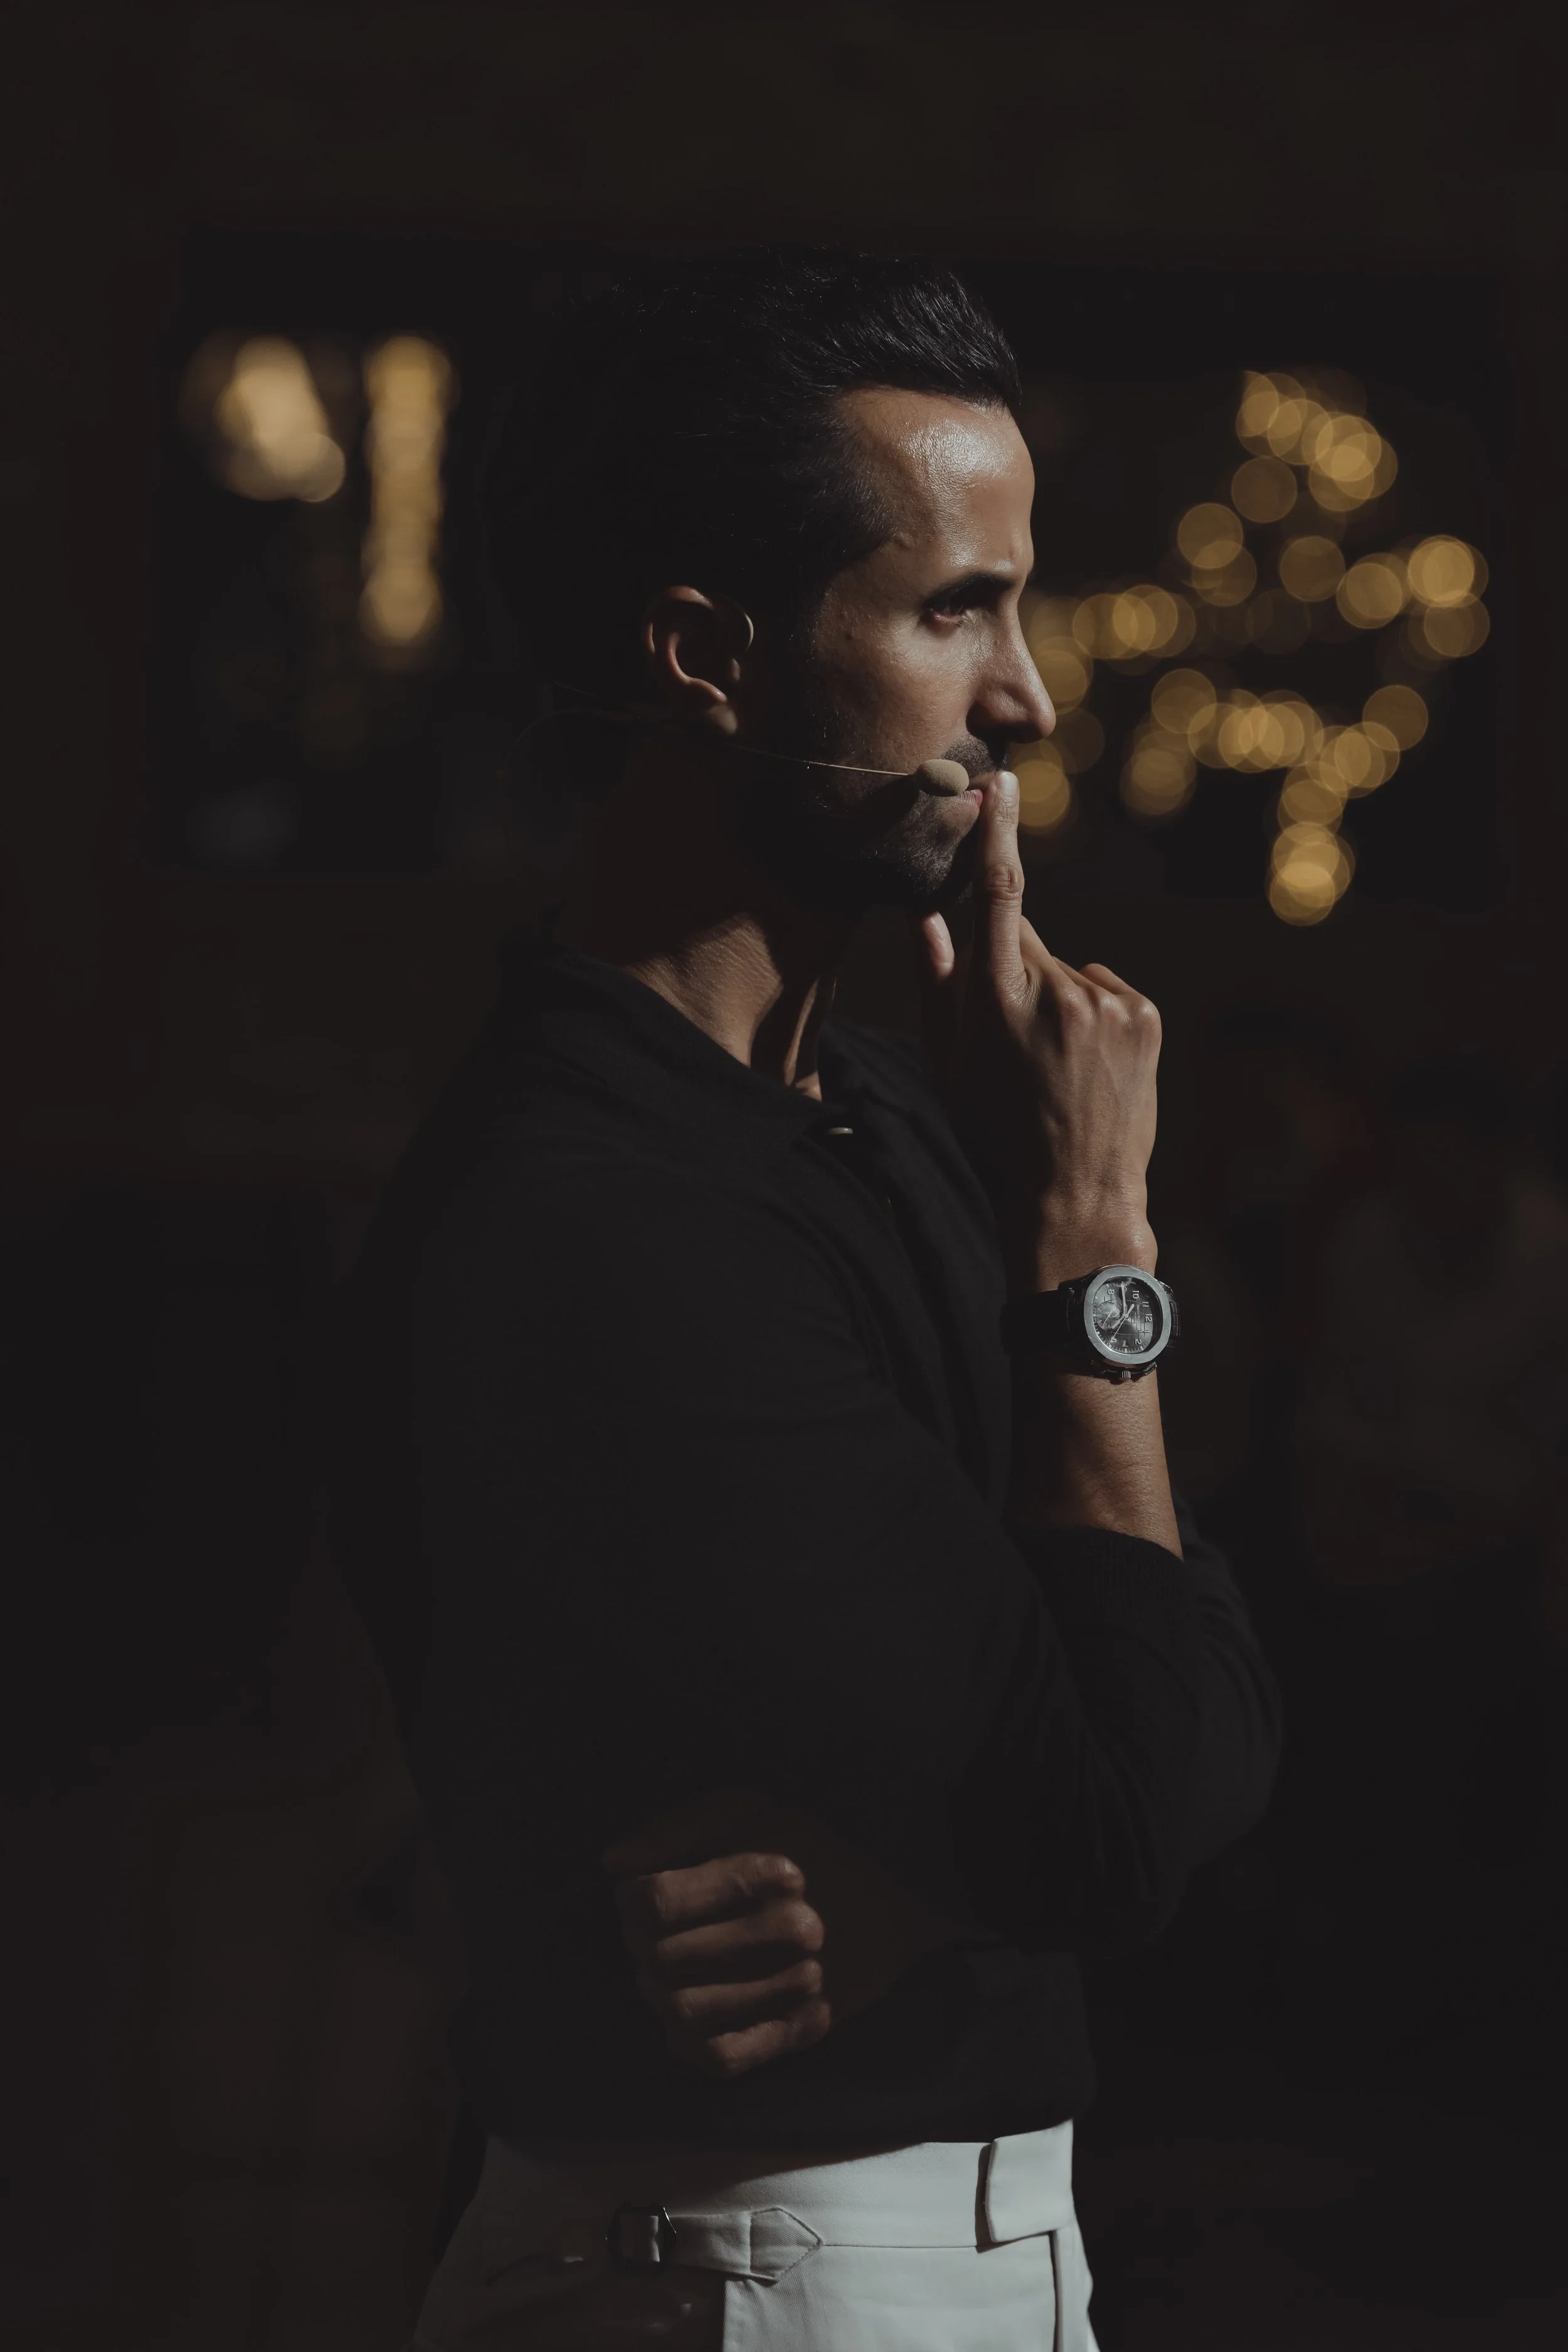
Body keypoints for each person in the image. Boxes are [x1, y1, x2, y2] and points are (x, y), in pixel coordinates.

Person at [330, 250, 1280, 2352]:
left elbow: (1203, 1728)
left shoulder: (857, 1101)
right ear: (704, 657)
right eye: (955, 611)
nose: (1025, 696)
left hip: (877, 2256)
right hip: (741, 2275)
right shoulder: (604, 1212)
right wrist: (1093, 1247)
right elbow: (1123, 1812)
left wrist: (932, 1878)